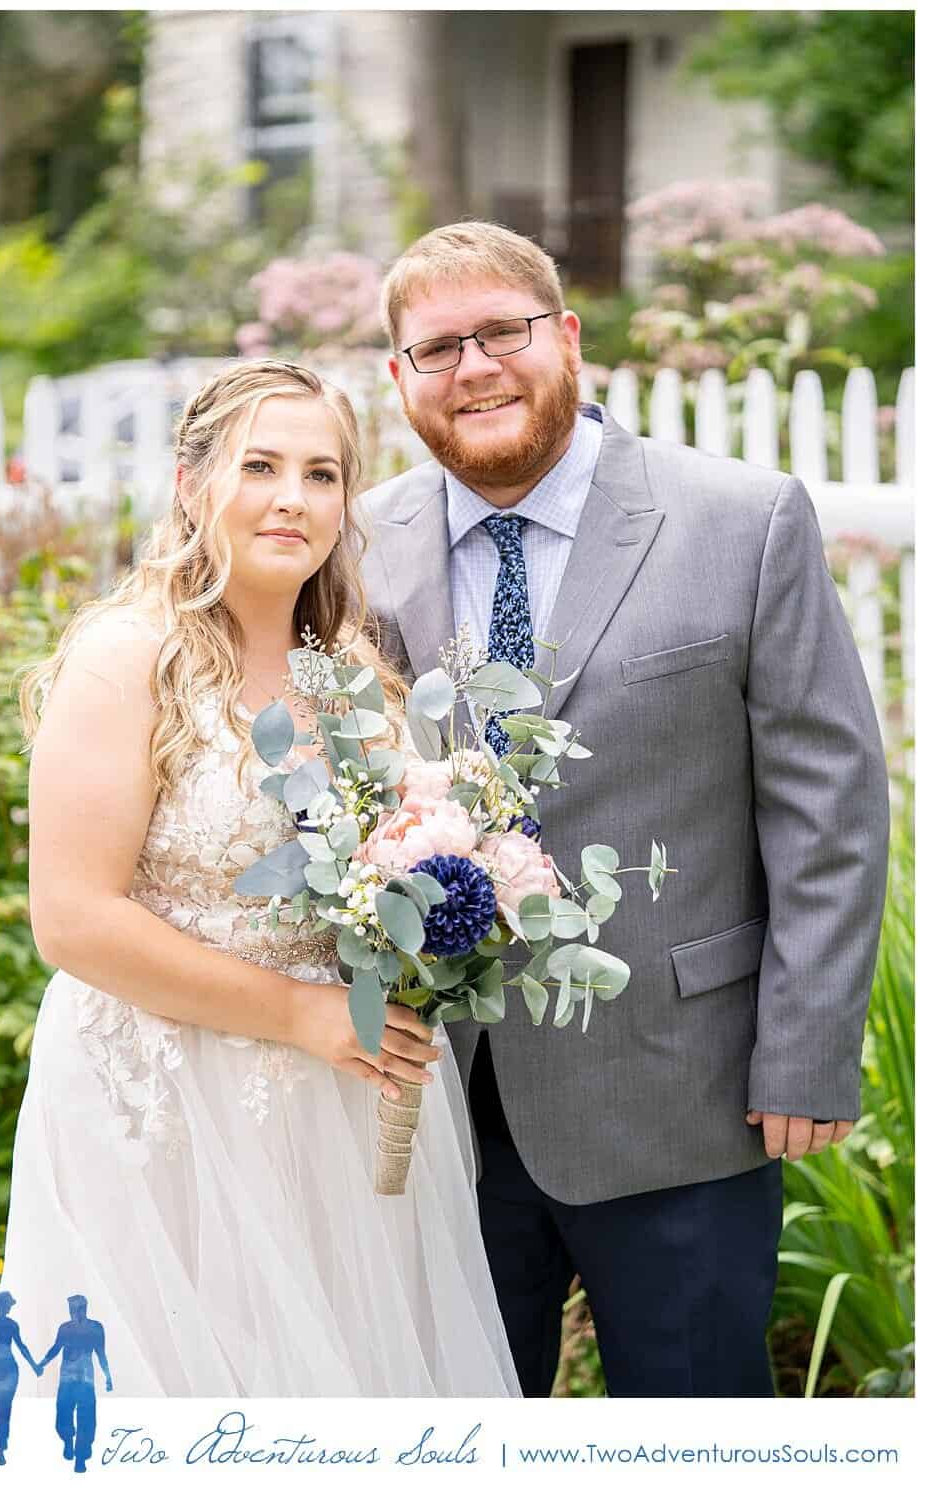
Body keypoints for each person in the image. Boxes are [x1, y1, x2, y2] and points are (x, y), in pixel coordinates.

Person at [362, 221, 888, 1396]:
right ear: (397, 378)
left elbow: (829, 810)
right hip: (434, 1104)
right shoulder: (360, 537)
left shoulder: (740, 520)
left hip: (682, 1092)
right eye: (437, 346)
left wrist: (804, 1052)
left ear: (569, 340)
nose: (475, 367)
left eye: (503, 331)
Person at [0, 359, 519, 1396]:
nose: (293, 497)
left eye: (321, 474)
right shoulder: (124, 657)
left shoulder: (354, 672)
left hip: (335, 1097)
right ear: (191, 485)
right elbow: (69, 919)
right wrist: (298, 1013)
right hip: (162, 1098)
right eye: (260, 466)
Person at [36, 1296, 113, 1473]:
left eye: (77, 1309)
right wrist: (41, 1363)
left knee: (86, 1419)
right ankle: (68, 1441)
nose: (74, 1313)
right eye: (71, 1309)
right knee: (63, 1414)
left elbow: (101, 1354)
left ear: (84, 1309)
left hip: (86, 1380)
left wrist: (108, 1376)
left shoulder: (95, 1328)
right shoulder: (65, 1329)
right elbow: (55, 1348)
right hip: (67, 1378)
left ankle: (80, 1457)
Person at [0, 1290, 40, 1464]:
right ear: (4, 1305)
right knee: (3, 1408)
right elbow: (21, 1347)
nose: (10, 1308)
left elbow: (21, 1347)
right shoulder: (5, 1325)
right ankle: (1, 1443)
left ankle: (1, 1444)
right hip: (5, 1369)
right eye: (9, 1305)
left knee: (2, 1408)